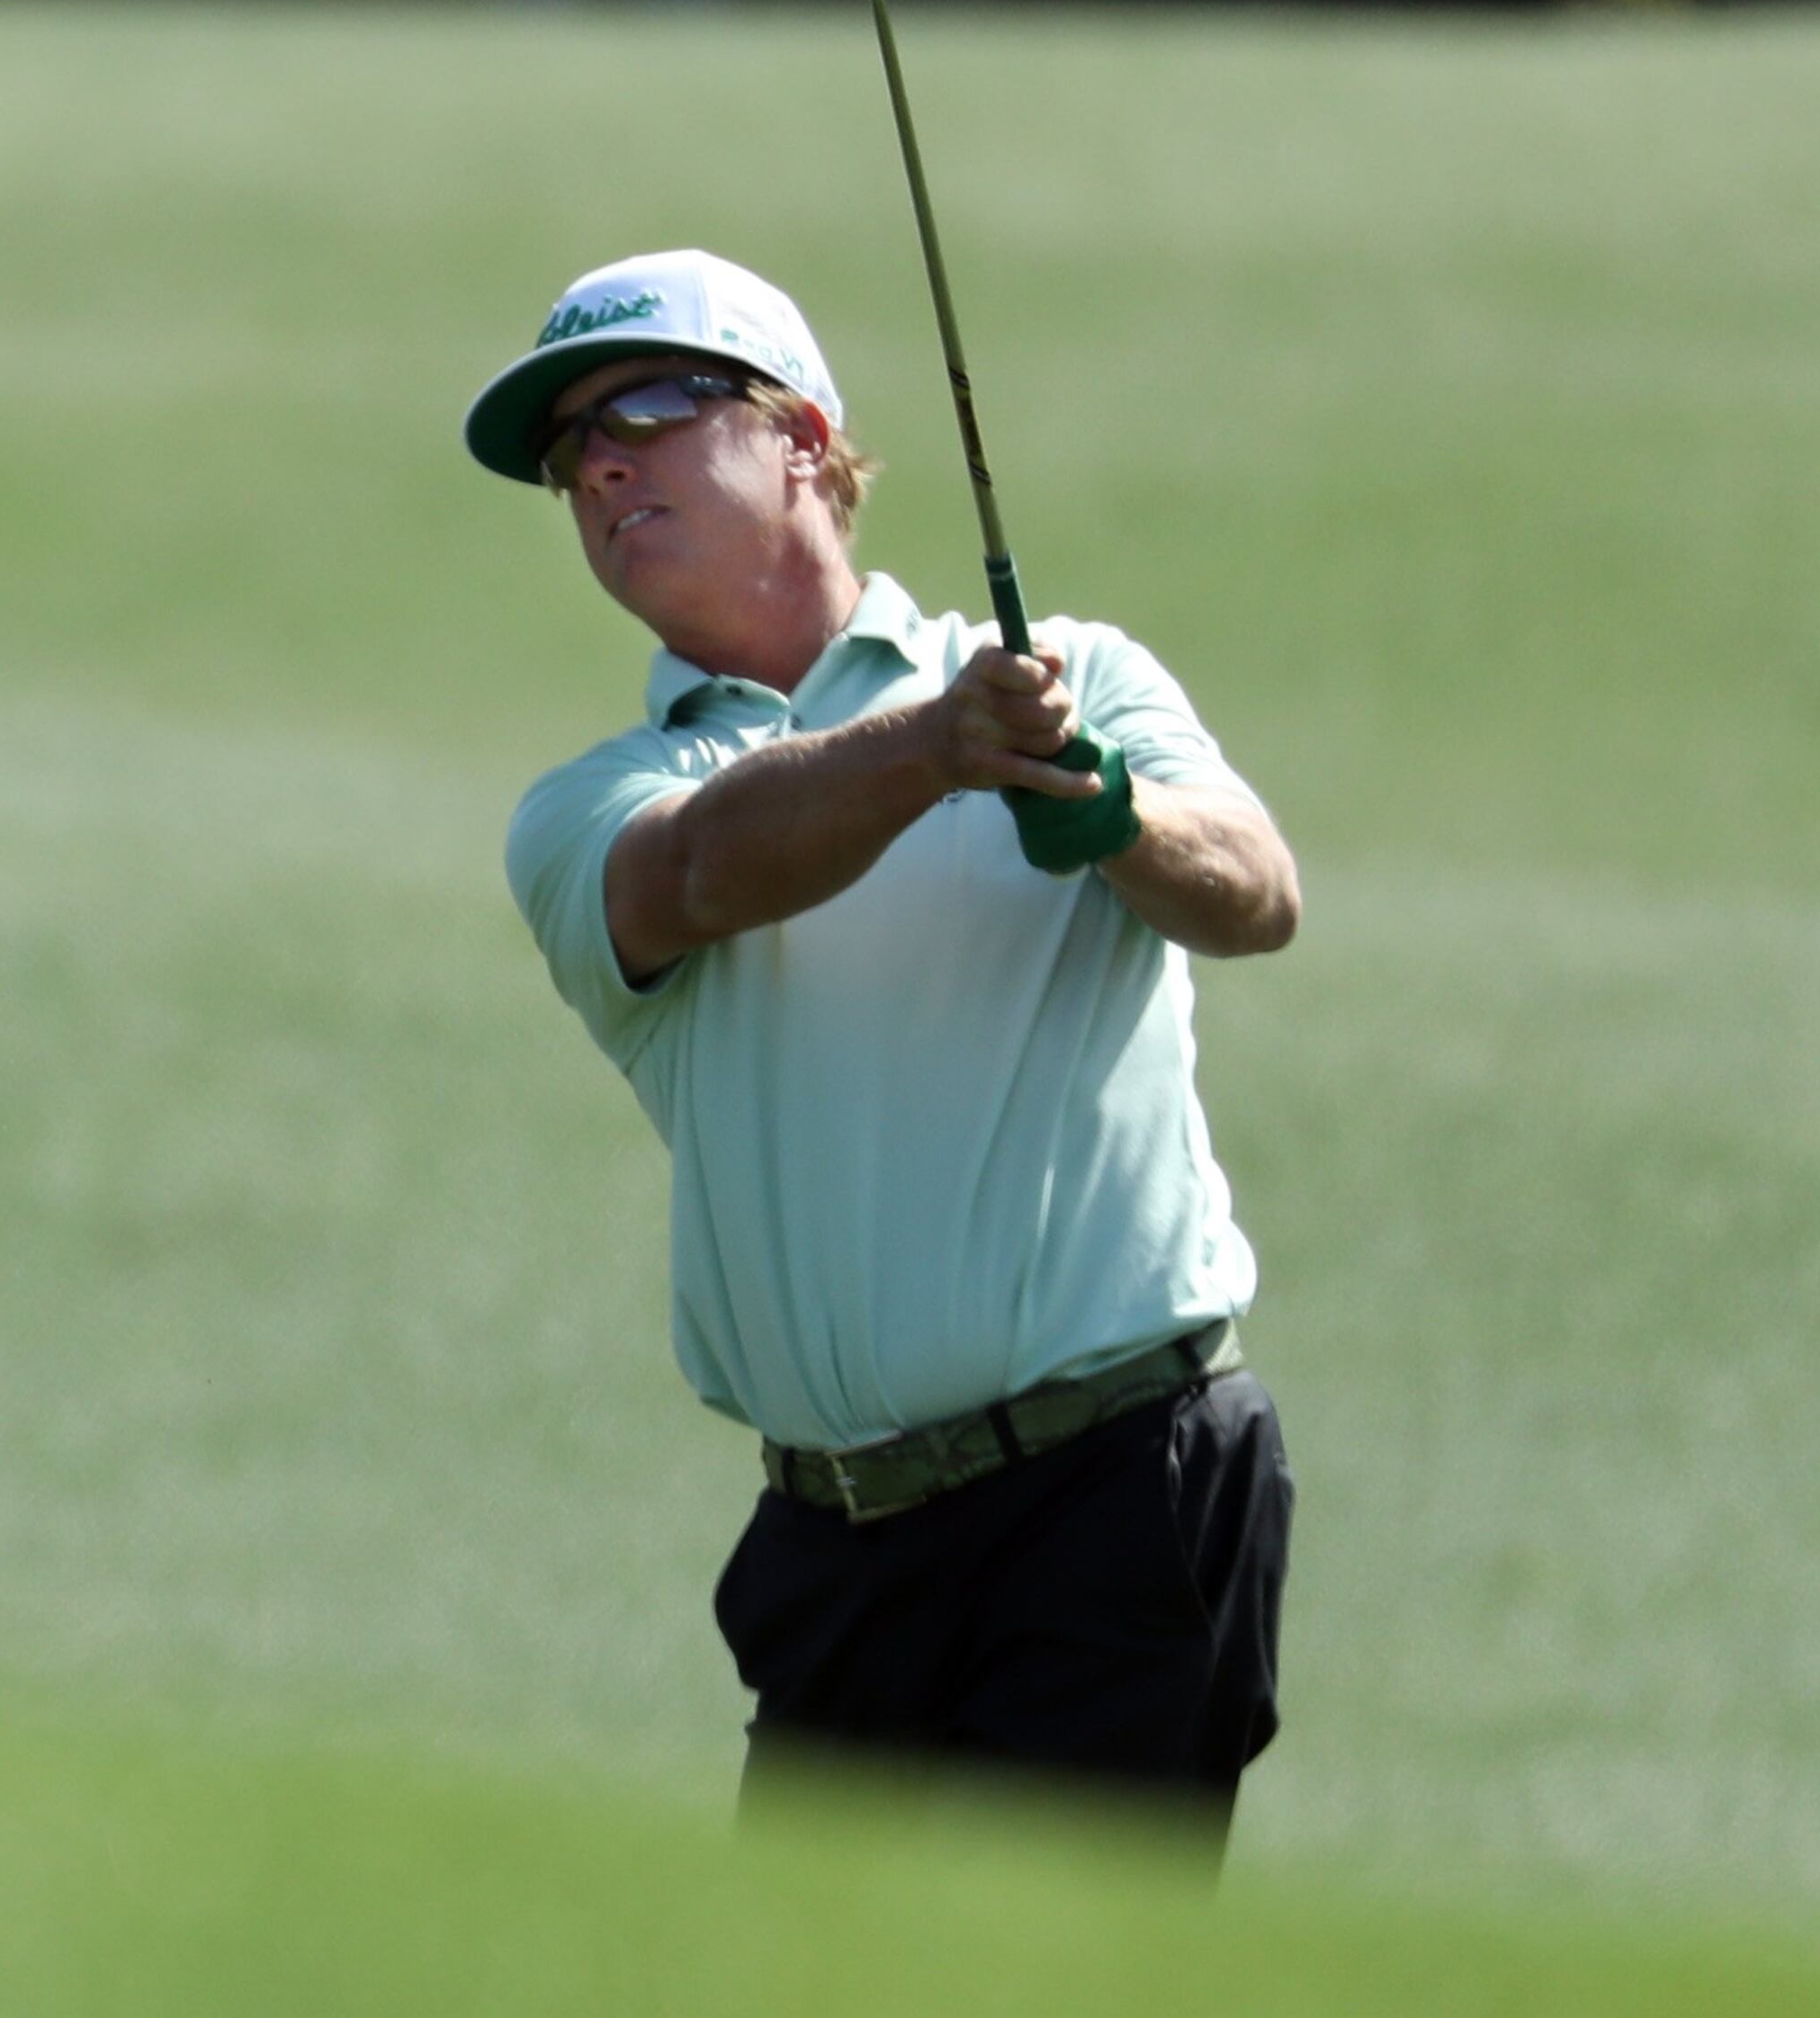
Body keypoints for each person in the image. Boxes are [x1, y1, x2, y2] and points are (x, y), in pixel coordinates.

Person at [468, 247, 1302, 1842]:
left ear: (803, 434)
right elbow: (703, 869)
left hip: (1117, 1488)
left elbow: (1256, 890)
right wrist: (943, 747)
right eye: (571, 450)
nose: (600, 463)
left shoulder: (1078, 679)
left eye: (646, 402)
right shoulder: (590, 808)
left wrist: (1114, 815)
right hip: (836, 1553)